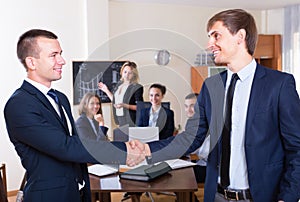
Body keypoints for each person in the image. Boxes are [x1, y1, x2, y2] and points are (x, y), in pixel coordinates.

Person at [130, 9, 300, 202]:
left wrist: (288, 197)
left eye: (216, 36)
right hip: (216, 195)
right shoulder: (211, 87)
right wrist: (147, 150)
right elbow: (190, 138)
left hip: (262, 196)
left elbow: (297, 148)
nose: (209, 44)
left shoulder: (279, 85)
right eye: (209, 37)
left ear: (240, 36)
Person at [3, 29, 144, 202]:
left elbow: (78, 144)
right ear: (31, 62)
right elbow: (65, 146)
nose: (61, 61)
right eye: (53, 55)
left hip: (77, 191)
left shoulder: (60, 98)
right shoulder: (19, 104)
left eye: (60, 54)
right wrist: (123, 151)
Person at [98, 61, 143, 127]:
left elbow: (140, 107)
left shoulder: (136, 87)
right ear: (121, 72)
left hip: (131, 120)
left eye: (130, 73)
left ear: (134, 74)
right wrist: (106, 90)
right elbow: (115, 101)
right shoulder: (119, 85)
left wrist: (124, 105)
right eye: (125, 72)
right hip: (120, 119)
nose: (127, 75)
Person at [184, 93, 208, 184]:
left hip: (206, 168)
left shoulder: (204, 124)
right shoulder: (190, 122)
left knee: (177, 175)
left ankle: (189, 198)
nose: (188, 110)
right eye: (186, 106)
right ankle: (189, 198)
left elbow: (202, 152)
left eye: (192, 106)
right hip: (196, 162)